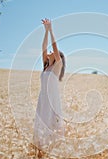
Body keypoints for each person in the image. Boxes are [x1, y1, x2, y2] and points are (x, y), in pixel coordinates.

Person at [33, 18, 65, 149]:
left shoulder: (57, 67)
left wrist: (51, 31)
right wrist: (45, 31)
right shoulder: (46, 66)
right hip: (43, 99)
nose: (50, 52)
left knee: (51, 125)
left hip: (52, 100)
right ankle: (39, 150)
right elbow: (43, 47)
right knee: (40, 125)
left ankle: (52, 150)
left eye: (53, 52)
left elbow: (54, 47)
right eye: (50, 52)